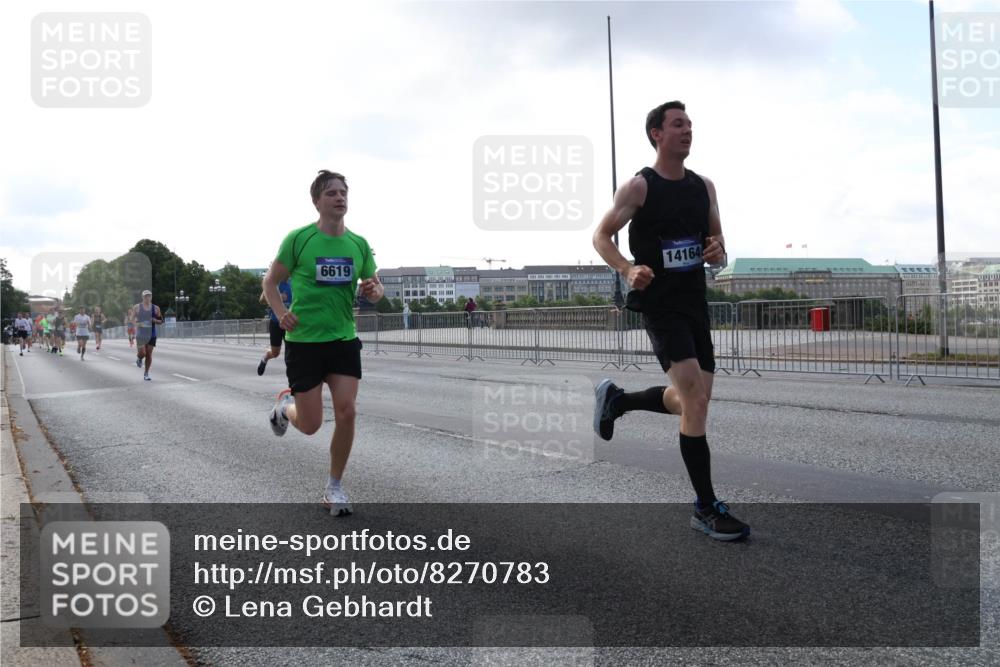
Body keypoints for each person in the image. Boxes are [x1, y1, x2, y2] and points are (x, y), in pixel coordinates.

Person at [592, 100, 748, 542]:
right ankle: (705, 507)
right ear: (657, 134)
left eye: (690, 124)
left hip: (695, 302)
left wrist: (716, 251)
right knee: (695, 401)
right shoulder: (640, 188)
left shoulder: (704, 187)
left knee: (691, 402)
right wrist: (626, 268)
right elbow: (601, 235)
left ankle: (618, 401)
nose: (688, 130)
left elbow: (715, 242)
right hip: (660, 305)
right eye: (678, 124)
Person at [263, 170, 382, 517]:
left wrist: (375, 290)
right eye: (331, 193)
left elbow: (374, 285)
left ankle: (334, 487)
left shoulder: (358, 244)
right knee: (312, 425)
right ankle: (284, 408)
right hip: (305, 343)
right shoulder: (299, 240)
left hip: (343, 340)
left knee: (347, 412)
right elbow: (271, 282)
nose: (339, 197)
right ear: (317, 201)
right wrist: (281, 313)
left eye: (343, 192)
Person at [257, 277, 292, 376]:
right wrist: (277, 297)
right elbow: (262, 299)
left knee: (291, 353)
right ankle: (265, 358)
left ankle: (292, 379)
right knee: (275, 353)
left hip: (289, 323)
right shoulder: (275, 282)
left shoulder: (294, 282)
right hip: (276, 322)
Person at [133, 290, 163, 381]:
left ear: (151, 297)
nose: (147, 298)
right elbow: (131, 319)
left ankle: (146, 373)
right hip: (141, 334)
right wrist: (137, 324)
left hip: (152, 334)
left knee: (149, 355)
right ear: (142, 297)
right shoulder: (137, 307)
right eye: (146, 296)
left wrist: (155, 320)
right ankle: (139, 358)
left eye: (149, 296)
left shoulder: (156, 308)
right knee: (143, 353)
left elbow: (161, 321)